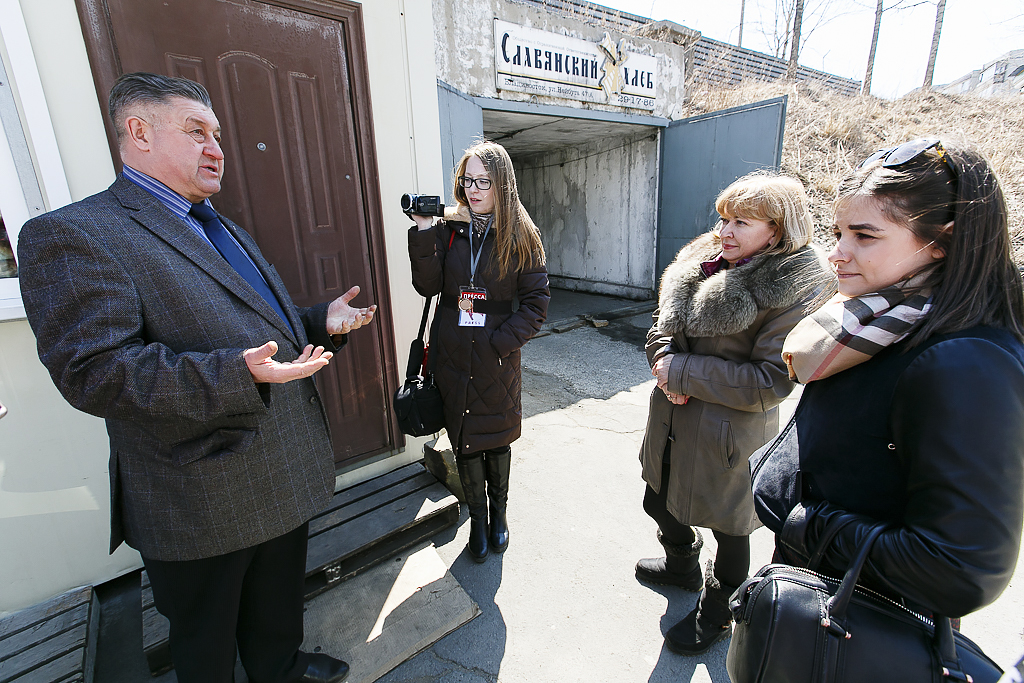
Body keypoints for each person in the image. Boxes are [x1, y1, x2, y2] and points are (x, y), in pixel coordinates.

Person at [17, 73, 377, 683]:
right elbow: (94, 373)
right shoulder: (75, 235)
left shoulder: (216, 222)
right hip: (199, 495)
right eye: (195, 131)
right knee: (205, 644)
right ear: (138, 133)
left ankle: (280, 670)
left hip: (278, 473)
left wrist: (321, 321)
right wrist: (235, 374)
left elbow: (250, 328)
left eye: (216, 134)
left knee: (277, 609)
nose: (217, 148)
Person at [753, 139, 1024, 641]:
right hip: (826, 603)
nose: (837, 253)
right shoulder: (881, 320)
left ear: (942, 241)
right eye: (838, 232)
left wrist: (805, 523)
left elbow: (960, 569)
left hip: (868, 630)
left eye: (865, 235)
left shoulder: (965, 361)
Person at [637, 172, 830, 655]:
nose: (725, 231)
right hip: (672, 417)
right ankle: (681, 566)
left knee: (730, 531)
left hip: (728, 435)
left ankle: (717, 612)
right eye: (723, 217)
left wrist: (679, 371)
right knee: (657, 501)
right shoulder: (701, 260)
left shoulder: (792, 289)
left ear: (778, 230)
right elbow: (663, 325)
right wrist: (662, 358)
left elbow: (771, 382)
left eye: (742, 222)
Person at [407, 140, 548, 563]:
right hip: (452, 355)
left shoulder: (522, 235)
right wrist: (422, 230)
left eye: (483, 181)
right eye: (467, 180)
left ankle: (499, 516)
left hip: (495, 357)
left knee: (497, 440)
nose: (473, 189)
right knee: (465, 440)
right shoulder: (448, 229)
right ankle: (478, 520)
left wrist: (500, 344)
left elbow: (537, 304)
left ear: (502, 184)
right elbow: (428, 286)